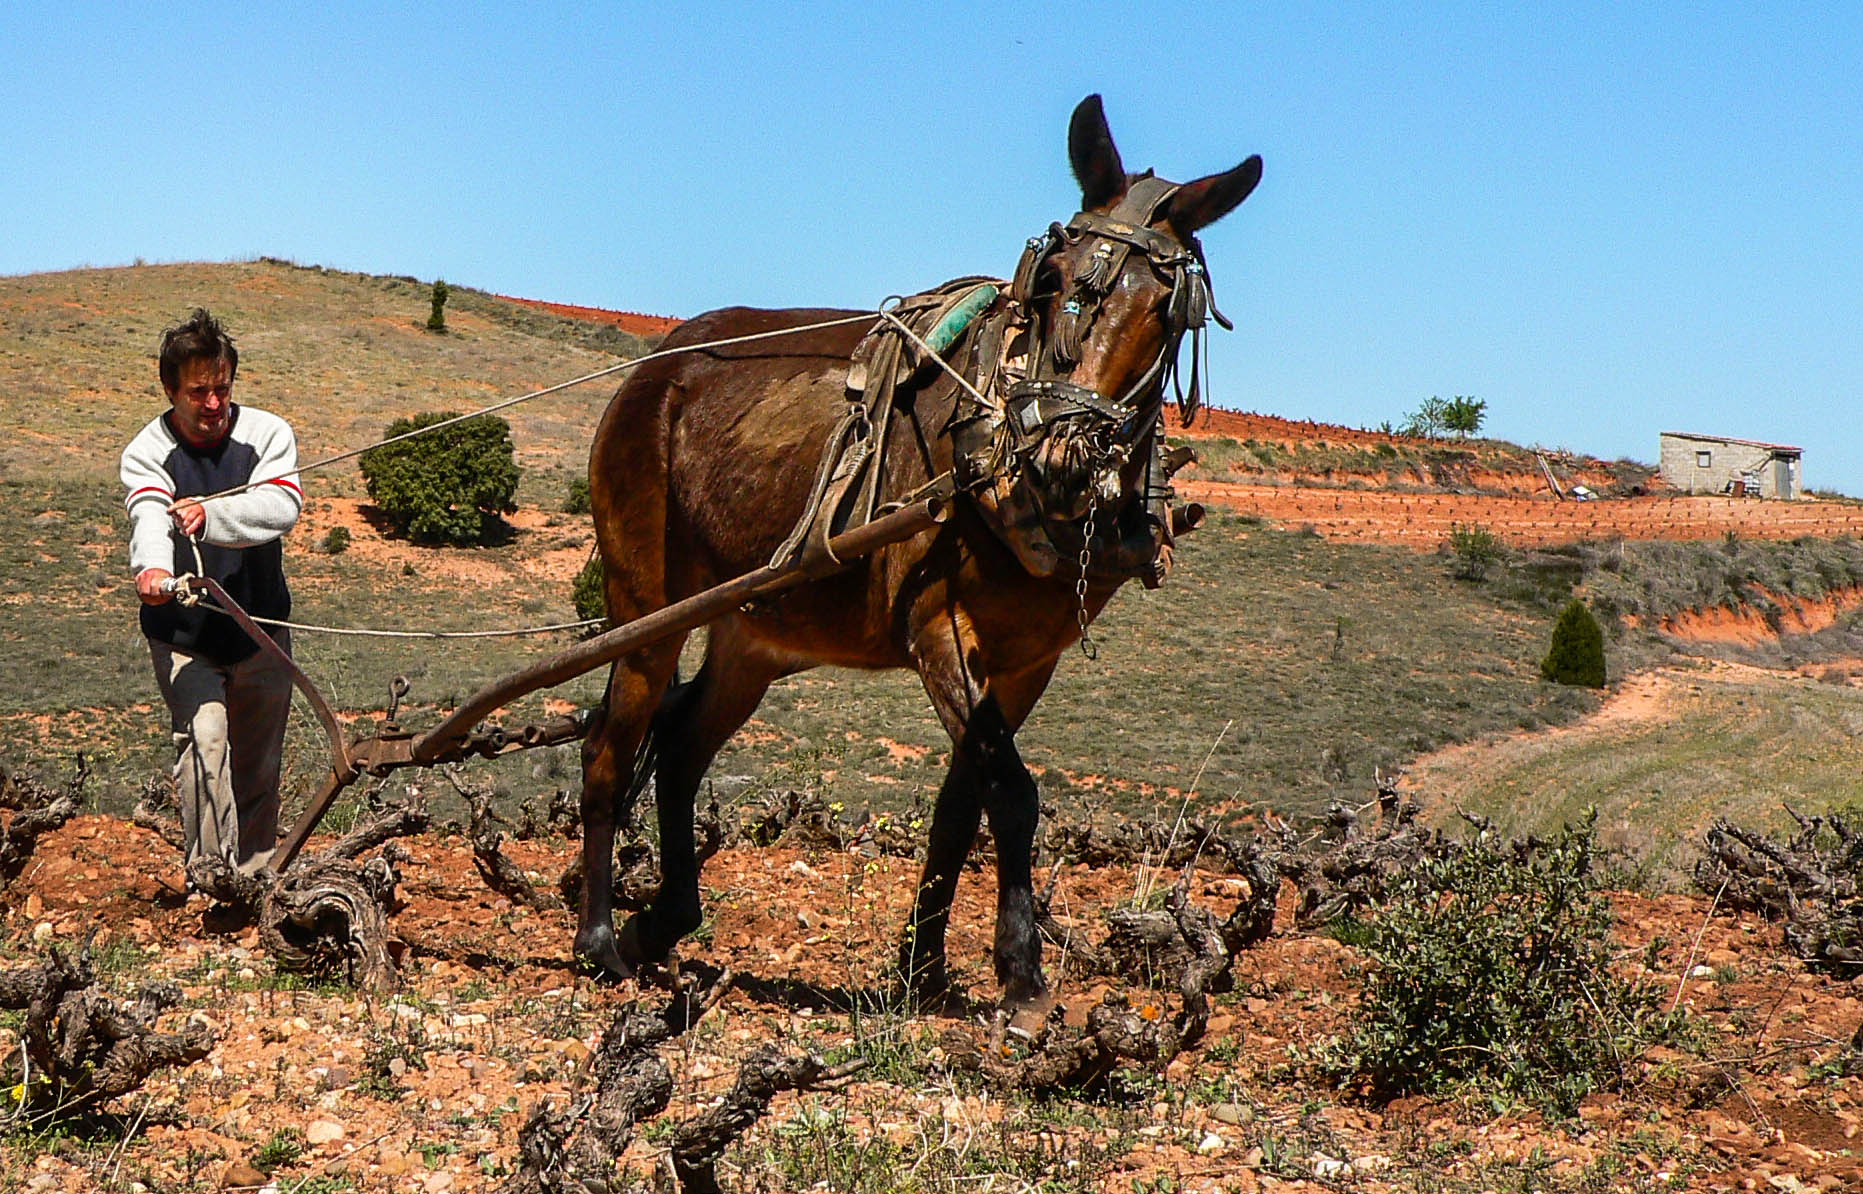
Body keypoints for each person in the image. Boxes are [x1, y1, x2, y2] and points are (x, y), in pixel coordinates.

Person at [120, 308, 303, 876]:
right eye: (198, 391)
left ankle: (257, 878)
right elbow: (149, 513)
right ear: (169, 388)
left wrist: (210, 513)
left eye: (221, 389)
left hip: (259, 631)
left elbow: (281, 508)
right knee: (205, 746)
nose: (213, 404)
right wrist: (151, 569)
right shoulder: (147, 450)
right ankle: (212, 881)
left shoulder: (268, 433)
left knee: (258, 766)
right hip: (186, 635)